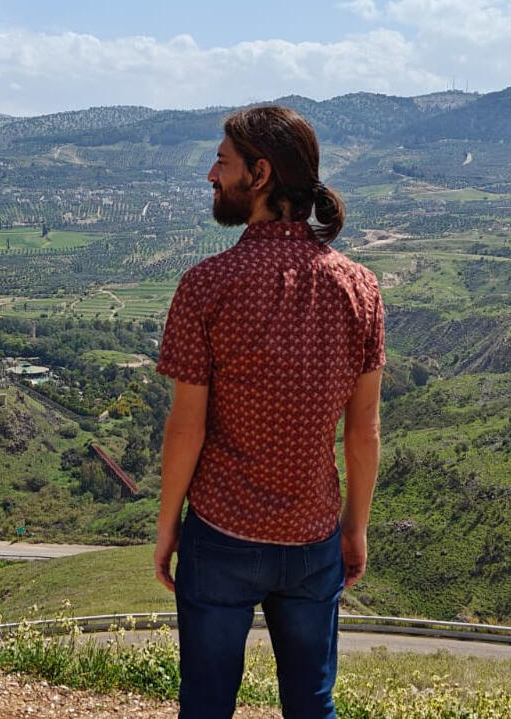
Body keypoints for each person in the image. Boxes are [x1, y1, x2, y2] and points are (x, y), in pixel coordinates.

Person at [154, 105, 385, 719]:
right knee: (312, 704)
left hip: (220, 535)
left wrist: (168, 525)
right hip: (313, 539)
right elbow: (362, 431)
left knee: (206, 704)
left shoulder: (207, 285)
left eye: (222, 163)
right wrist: (354, 528)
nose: (211, 175)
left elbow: (186, 428)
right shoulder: (360, 288)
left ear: (259, 175)